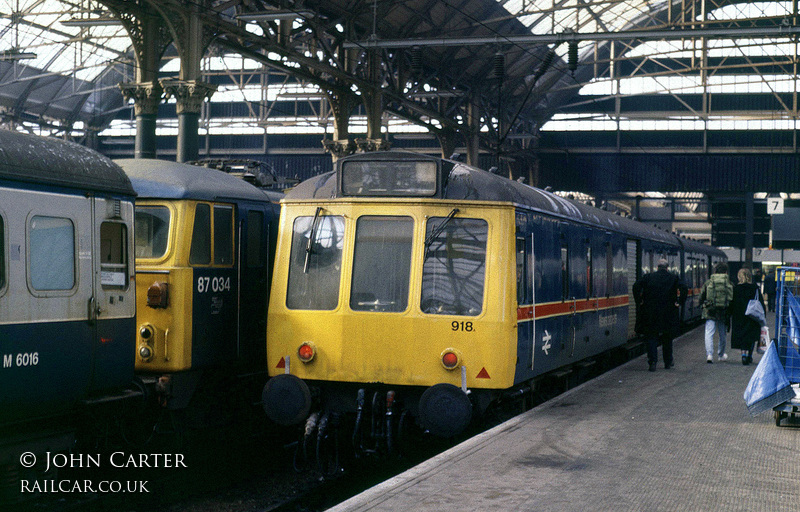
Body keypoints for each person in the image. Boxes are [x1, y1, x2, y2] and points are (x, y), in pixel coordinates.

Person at [633, 258, 687, 372]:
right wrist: (680, 302)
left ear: (657, 268)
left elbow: (636, 286)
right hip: (668, 313)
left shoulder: (648, 277)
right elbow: (684, 288)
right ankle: (667, 362)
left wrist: (639, 301)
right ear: (667, 268)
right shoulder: (673, 277)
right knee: (667, 338)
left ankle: (652, 362)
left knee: (651, 337)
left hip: (651, 313)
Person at [699, 262, 733, 363]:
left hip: (710, 310)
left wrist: (702, 305)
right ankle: (721, 355)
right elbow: (732, 298)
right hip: (723, 311)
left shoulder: (709, 282)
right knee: (722, 334)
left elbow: (702, 295)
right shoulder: (728, 283)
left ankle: (709, 355)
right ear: (726, 272)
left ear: (715, 271)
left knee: (709, 332)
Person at [730, 267, 765, 365]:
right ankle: (749, 355)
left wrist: (730, 315)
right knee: (751, 336)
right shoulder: (755, 288)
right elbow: (760, 302)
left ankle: (743, 354)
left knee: (742, 336)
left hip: (739, 316)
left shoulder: (736, 289)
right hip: (752, 315)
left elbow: (732, 303)